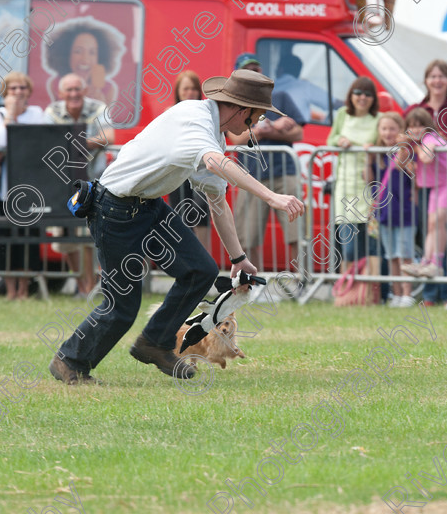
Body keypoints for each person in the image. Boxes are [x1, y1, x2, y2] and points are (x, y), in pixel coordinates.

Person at [48, 69, 305, 385]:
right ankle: (69, 362)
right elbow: (214, 163)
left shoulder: (213, 136)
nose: (254, 127)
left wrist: (239, 260)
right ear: (241, 109)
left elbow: (217, 202)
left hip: (150, 206)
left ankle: (154, 343)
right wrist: (272, 196)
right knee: (123, 307)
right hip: (112, 208)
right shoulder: (194, 116)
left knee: (201, 270)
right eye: (255, 119)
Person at [228, 53, 305, 268]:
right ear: (238, 76)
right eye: (248, 70)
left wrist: (273, 130)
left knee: (295, 232)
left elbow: (298, 133)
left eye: (257, 69)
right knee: (248, 236)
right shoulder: (233, 104)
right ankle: (253, 281)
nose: (254, 73)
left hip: (285, 171)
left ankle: (300, 282)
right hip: (251, 176)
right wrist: (267, 129)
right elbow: (236, 139)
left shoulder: (280, 97)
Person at [407, 60, 447, 305]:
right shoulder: (418, 109)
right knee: (431, 227)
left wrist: (420, 143)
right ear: (425, 80)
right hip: (430, 183)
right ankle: (430, 287)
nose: (436, 80)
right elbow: (405, 137)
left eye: (441, 76)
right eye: (432, 76)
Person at [44, 73, 114, 297]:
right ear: (60, 94)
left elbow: (108, 137)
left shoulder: (98, 107)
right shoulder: (51, 113)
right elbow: (45, 141)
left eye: (77, 89)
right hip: (62, 184)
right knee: (66, 237)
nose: (73, 94)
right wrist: (80, 144)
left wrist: (75, 143)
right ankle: (84, 287)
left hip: (94, 182)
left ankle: (91, 286)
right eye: (69, 90)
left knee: (89, 234)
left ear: (85, 91)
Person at [0, 72, 44, 300]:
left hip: (32, 187)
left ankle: (24, 290)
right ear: (5, 93)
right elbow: (0, 140)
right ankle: (10, 290)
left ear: (29, 91)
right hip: (5, 189)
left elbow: (40, 141)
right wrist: (11, 115)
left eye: (22, 88)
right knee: (5, 238)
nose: (18, 92)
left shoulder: (38, 114)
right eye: (13, 89)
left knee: (28, 239)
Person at [402, 108, 447, 279]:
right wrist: (404, 145)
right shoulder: (419, 141)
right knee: (432, 224)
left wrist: (415, 147)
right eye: (411, 126)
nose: (415, 130)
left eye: (420, 126)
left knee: (437, 221)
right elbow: (399, 163)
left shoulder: (430, 139)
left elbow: (426, 157)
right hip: (438, 185)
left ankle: (436, 264)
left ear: (428, 127)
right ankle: (426, 262)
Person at [327, 77, 380, 277]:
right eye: (358, 93)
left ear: (373, 99)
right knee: (348, 248)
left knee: (370, 246)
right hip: (345, 188)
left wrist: (374, 147)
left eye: (368, 94)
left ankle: (369, 291)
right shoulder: (342, 114)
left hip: (369, 188)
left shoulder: (379, 118)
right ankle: (347, 290)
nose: (362, 97)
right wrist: (339, 140)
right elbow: (330, 139)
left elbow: (387, 139)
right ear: (351, 95)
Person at [369, 112, 417, 307]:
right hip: (385, 212)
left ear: (400, 131)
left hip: (404, 211)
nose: (388, 133)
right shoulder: (377, 155)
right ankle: (396, 294)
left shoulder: (405, 152)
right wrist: (368, 154)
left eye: (392, 129)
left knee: (405, 254)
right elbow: (368, 178)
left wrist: (403, 146)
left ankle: (407, 293)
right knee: (391, 257)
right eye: (384, 129)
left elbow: (407, 170)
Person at [166, 70, 212, 254]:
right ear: (178, 91)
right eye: (185, 89)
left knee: (201, 217)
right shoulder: (169, 114)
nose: (190, 93)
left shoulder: (206, 112)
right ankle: (185, 262)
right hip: (178, 174)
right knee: (179, 217)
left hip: (201, 172)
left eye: (194, 89)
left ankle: (205, 260)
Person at [44, 18, 125, 105]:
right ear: (67, 54)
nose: (85, 59)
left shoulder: (108, 89)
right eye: (78, 51)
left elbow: (105, 118)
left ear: (100, 58)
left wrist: (102, 105)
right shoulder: (55, 84)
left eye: (92, 52)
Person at [273, 54, 334, 124]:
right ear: (298, 72)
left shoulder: (268, 86)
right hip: (299, 131)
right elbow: (333, 102)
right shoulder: (303, 86)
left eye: (277, 67)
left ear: (280, 69)